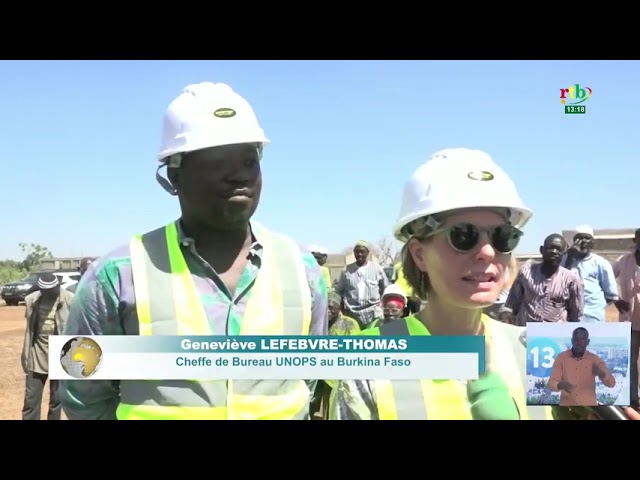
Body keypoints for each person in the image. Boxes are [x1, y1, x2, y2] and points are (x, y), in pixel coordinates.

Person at [60, 82, 328, 420]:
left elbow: (308, 379)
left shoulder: (302, 269)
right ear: (174, 176)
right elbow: (81, 394)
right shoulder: (117, 275)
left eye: (249, 160)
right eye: (217, 162)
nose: (239, 176)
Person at [328, 147, 640, 421]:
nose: (488, 251)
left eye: (503, 236)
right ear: (419, 254)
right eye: (463, 235)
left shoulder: (543, 348)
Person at [21, 273, 74, 420]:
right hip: (37, 355)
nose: (48, 293)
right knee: (31, 400)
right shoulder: (31, 300)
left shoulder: (70, 300)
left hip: (61, 355)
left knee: (56, 401)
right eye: (45, 291)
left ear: (57, 287)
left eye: (52, 290)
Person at [506, 233, 584, 325]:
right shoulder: (526, 273)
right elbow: (513, 304)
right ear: (542, 250)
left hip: (553, 334)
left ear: (564, 253)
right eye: (550, 248)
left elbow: (576, 315)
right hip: (525, 332)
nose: (554, 252)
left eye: (558, 249)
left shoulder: (572, 280)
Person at [562, 225, 628, 322]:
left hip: (593, 317)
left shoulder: (601, 263)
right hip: (568, 316)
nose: (583, 241)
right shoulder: (564, 260)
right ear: (573, 241)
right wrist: (570, 259)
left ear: (592, 243)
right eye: (579, 238)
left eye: (587, 238)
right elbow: (558, 282)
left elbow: (610, 293)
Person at [547, 327, 616, 406]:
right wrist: (559, 385)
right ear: (572, 341)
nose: (579, 342)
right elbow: (550, 384)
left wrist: (602, 375)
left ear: (587, 342)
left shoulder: (594, 359)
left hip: (589, 409)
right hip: (566, 408)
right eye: (576, 339)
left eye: (582, 339)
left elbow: (612, 384)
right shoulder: (562, 358)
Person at [612, 228, 640, 409]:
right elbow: (605, 280)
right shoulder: (623, 261)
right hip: (629, 320)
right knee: (628, 362)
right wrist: (615, 299)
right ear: (635, 240)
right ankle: (633, 400)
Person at [336, 240, 389, 328]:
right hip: (352, 314)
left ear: (367, 253)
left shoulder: (377, 269)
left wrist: (383, 307)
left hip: (373, 314)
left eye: (362, 252)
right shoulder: (346, 271)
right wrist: (342, 311)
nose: (359, 254)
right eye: (357, 252)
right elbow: (339, 292)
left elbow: (386, 290)